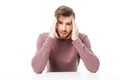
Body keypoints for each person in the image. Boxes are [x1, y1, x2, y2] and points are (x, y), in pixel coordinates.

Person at [31, 5, 100, 74]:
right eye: (60, 23)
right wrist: (50, 38)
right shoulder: (43, 38)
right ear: (55, 23)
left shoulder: (82, 38)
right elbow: (37, 69)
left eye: (68, 24)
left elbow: (94, 68)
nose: (64, 28)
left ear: (73, 25)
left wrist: (76, 40)